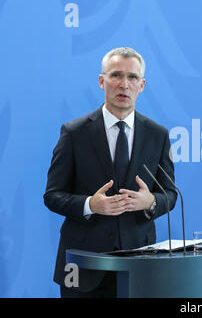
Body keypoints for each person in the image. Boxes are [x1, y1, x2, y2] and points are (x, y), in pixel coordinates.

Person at [44, 47, 177, 298]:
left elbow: (170, 193)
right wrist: (90, 205)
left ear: (142, 85)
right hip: (84, 265)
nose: (124, 84)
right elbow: (52, 195)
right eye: (116, 75)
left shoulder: (158, 135)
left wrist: (151, 201)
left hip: (140, 263)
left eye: (132, 77)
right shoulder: (74, 133)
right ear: (101, 81)